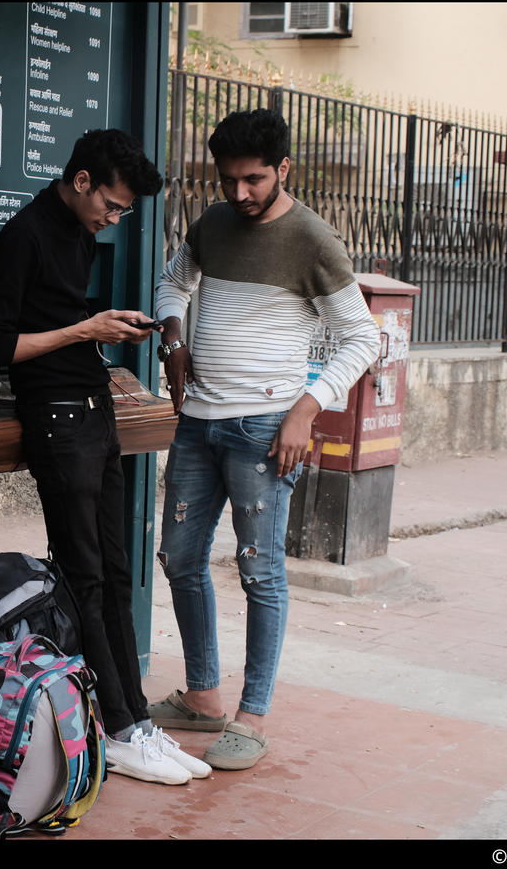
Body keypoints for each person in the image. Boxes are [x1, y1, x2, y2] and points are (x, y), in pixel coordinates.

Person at [0, 128, 210, 786]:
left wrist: (110, 327)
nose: (114, 218)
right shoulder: (23, 235)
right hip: (55, 421)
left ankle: (136, 721)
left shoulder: (79, 233)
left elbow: (65, 324)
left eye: (124, 211)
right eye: (112, 204)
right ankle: (120, 726)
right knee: (85, 575)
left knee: (116, 569)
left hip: (93, 412)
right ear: (81, 181)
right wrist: (86, 328)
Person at [151, 108, 381, 770]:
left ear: (284, 169)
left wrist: (307, 409)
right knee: (179, 556)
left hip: (265, 432)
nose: (238, 193)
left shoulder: (313, 239)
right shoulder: (214, 224)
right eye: (227, 180)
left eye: (253, 179)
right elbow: (175, 282)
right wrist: (173, 338)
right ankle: (203, 696)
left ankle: (251, 717)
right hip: (198, 423)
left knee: (259, 571)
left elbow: (363, 337)